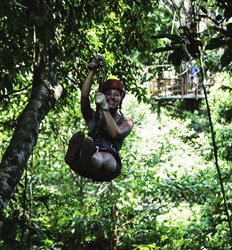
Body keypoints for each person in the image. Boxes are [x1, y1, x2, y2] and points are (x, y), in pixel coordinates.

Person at [65, 56, 134, 182]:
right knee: (94, 156)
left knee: (97, 158)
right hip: (90, 160)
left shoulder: (126, 122)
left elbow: (115, 133)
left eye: (116, 95)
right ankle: (77, 157)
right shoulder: (94, 118)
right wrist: (92, 70)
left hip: (109, 162)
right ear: (103, 96)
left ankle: (84, 159)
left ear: (121, 99)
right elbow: (84, 97)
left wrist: (104, 108)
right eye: (108, 94)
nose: (112, 97)